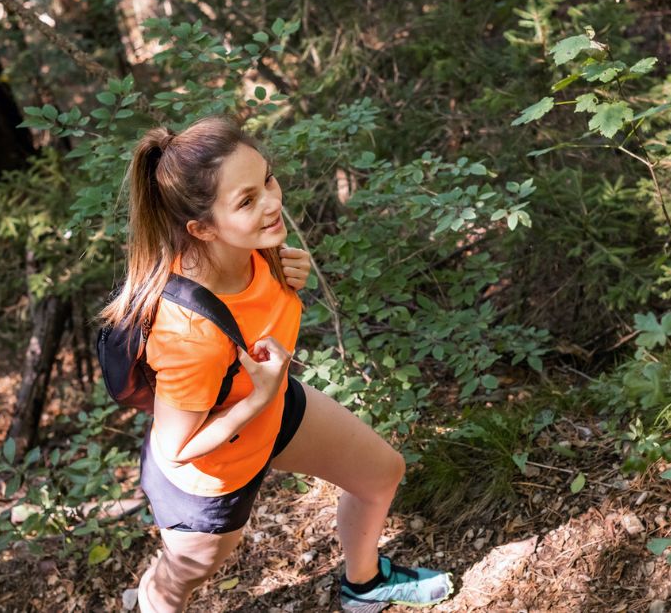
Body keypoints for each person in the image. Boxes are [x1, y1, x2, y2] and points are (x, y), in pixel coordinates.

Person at [97, 114, 453, 612]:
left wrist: (291, 279)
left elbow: (259, 314)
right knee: (179, 583)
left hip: (272, 409)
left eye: (266, 178)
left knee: (381, 473)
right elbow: (177, 448)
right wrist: (259, 395)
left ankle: (364, 586)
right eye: (247, 200)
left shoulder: (256, 250)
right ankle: (152, 598)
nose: (272, 201)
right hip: (210, 475)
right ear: (201, 228)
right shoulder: (187, 333)